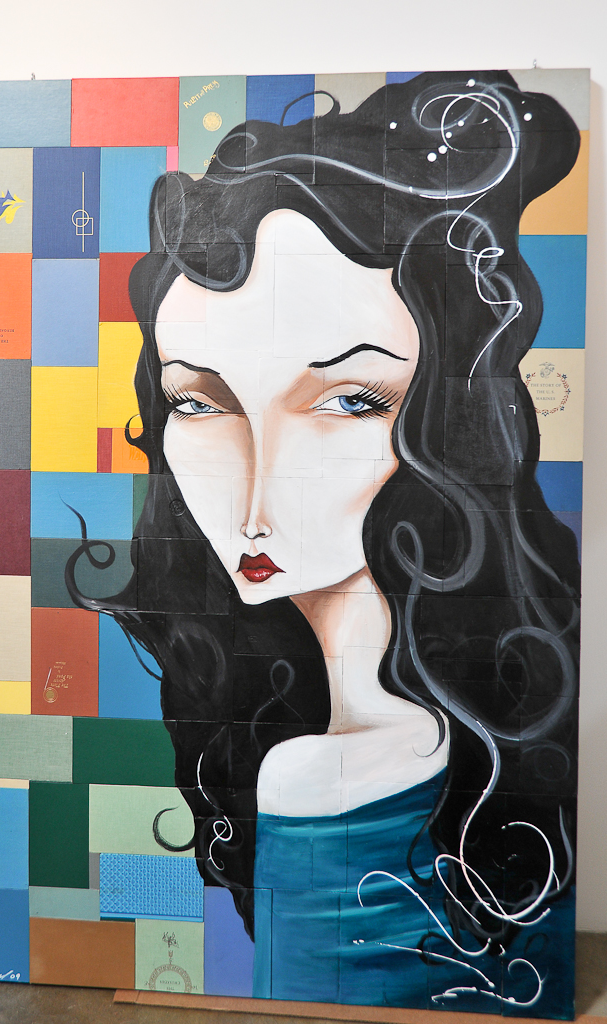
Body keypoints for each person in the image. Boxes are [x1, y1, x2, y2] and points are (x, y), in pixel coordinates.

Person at [67, 70, 581, 1014]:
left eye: (348, 400)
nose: (258, 495)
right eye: (201, 403)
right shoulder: (333, 732)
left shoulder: (321, 774)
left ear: (447, 418)